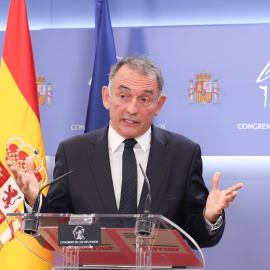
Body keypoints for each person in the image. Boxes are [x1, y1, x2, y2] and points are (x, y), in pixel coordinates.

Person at [7, 55, 243, 248]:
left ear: (158, 105)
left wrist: (208, 217)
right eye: (123, 96)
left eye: (144, 99)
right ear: (106, 97)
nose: (132, 108)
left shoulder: (184, 153)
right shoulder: (73, 152)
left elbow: (196, 235)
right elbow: (56, 231)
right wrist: (34, 200)